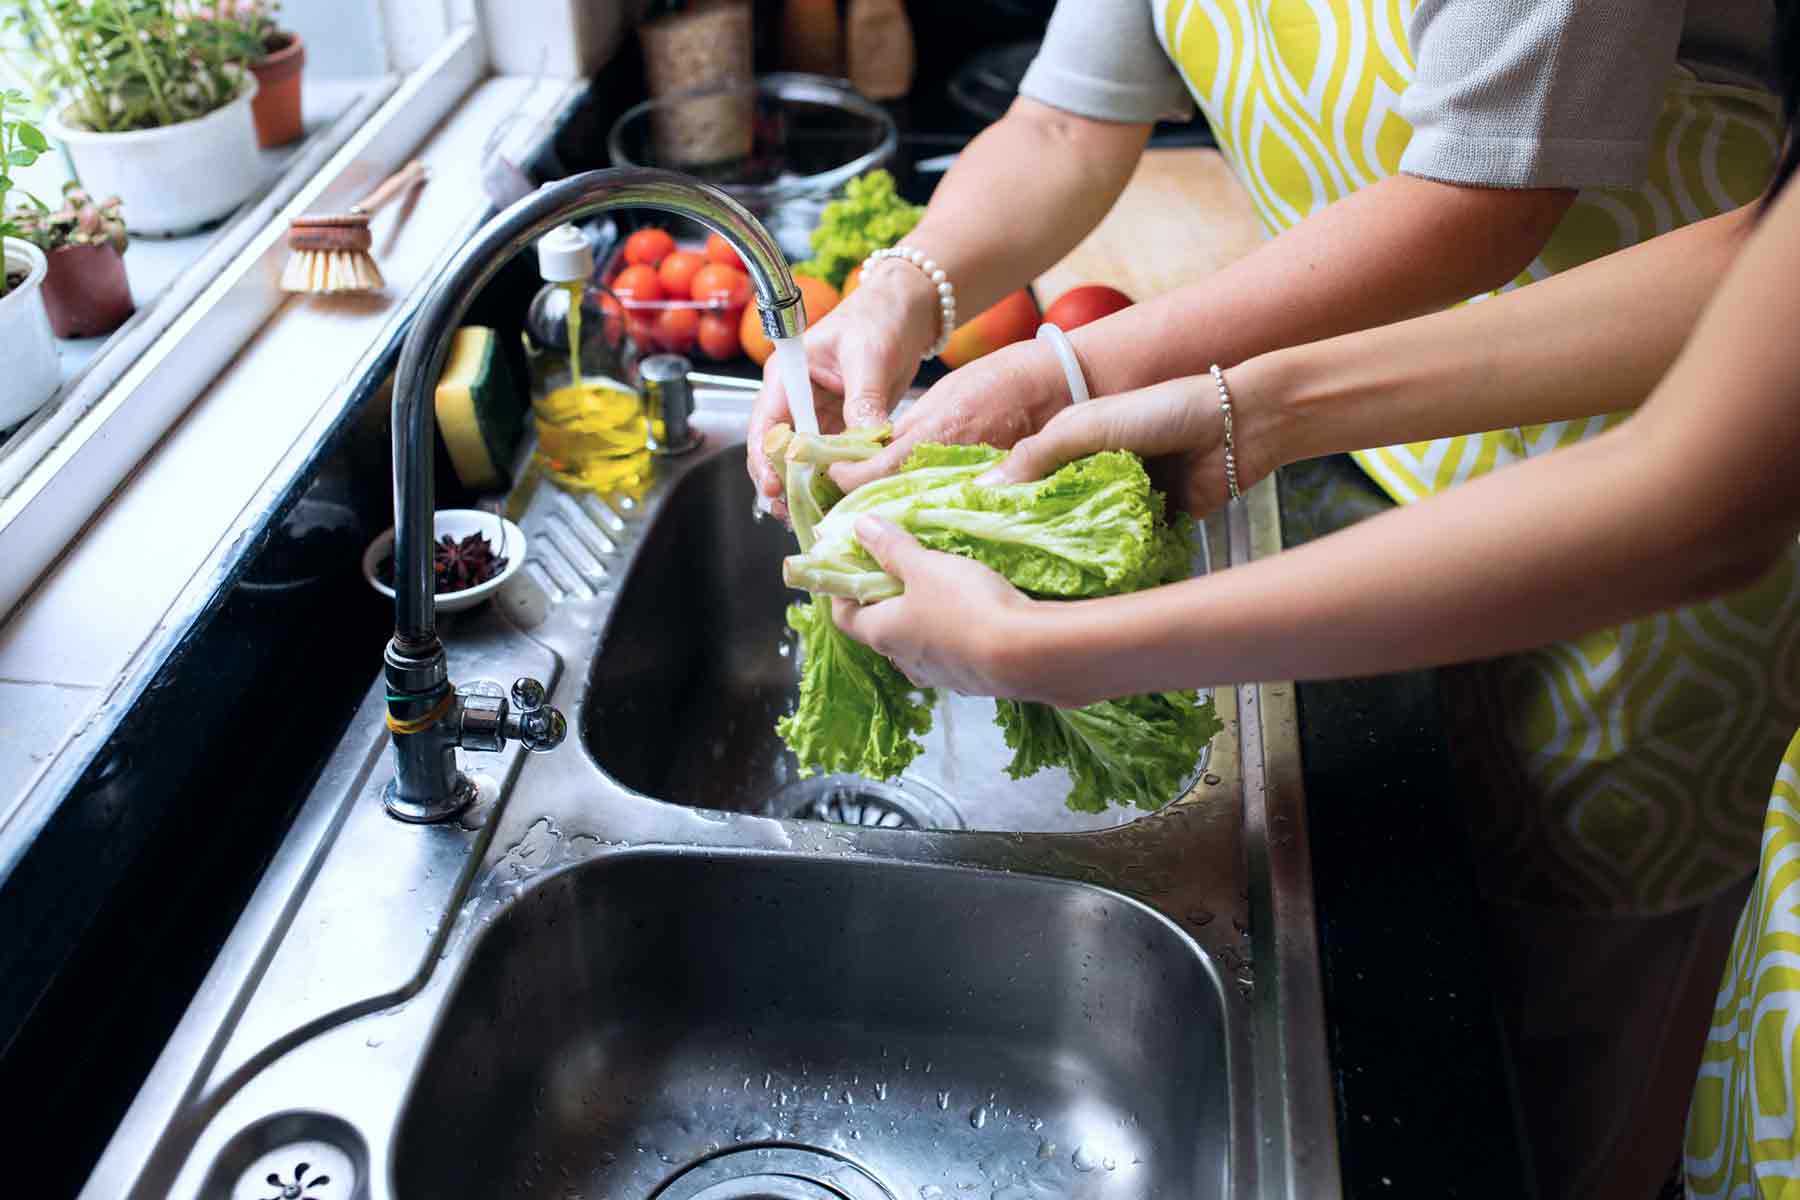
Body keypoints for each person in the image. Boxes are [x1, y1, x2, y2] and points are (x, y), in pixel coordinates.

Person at [753, 5, 1797, 1196]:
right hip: (1391, 444)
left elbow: (1692, 486)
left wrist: (1061, 639)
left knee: (1562, 1083)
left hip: (1631, 588)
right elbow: (1747, 269)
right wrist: (1252, 408)